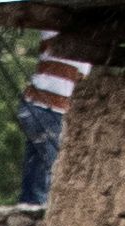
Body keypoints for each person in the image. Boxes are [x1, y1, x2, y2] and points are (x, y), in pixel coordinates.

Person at [18, 27, 84, 205]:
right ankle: (37, 207)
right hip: (49, 108)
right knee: (48, 164)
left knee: (37, 161)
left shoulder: (57, 31)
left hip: (34, 104)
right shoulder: (80, 41)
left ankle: (28, 204)